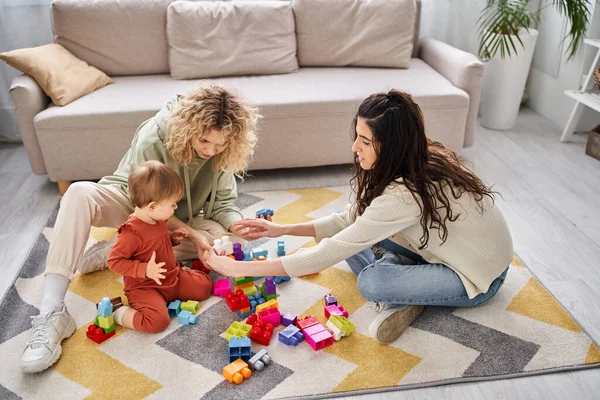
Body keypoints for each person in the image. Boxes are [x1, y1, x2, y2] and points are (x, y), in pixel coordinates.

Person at [206, 89, 513, 344]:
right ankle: (406, 285)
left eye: (365, 141)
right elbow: (351, 219)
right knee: (349, 239)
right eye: (357, 136)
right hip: (439, 251)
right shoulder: (412, 160)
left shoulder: (405, 194)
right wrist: (279, 229)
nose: (355, 148)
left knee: (370, 280)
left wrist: (238, 268)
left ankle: (403, 293)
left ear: (391, 146)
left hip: (477, 278)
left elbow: (326, 255)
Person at [21, 85, 259, 373]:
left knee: (227, 241)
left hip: (177, 217)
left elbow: (222, 203)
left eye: (220, 145)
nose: (211, 151)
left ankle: (121, 251)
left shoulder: (221, 150)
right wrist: (193, 234)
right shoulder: (155, 138)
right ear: (189, 127)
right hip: (133, 205)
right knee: (78, 194)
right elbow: (149, 206)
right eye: (205, 141)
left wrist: (237, 224)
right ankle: (52, 311)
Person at [108, 161, 213, 333]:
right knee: (157, 323)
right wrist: (144, 270)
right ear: (153, 206)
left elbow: (154, 245)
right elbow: (114, 262)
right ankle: (117, 313)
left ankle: (176, 288)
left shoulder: (158, 219)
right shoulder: (130, 233)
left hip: (171, 277)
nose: (176, 207)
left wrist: (172, 239)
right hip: (145, 287)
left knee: (205, 287)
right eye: (172, 204)